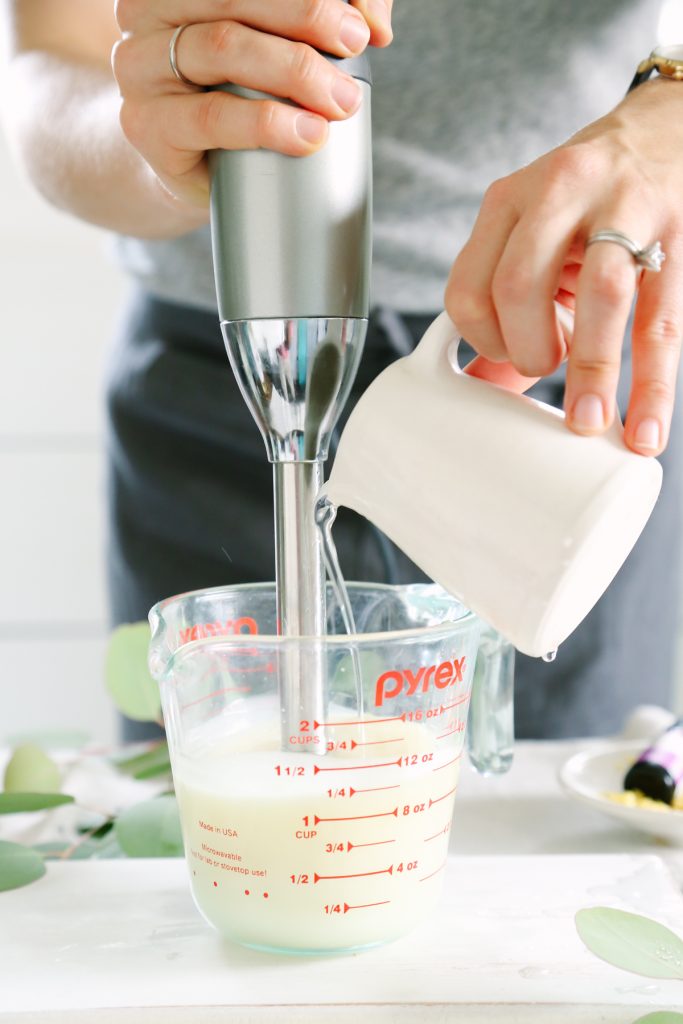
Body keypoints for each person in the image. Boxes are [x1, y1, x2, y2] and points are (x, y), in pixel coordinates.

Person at [2, 0, 682, 739]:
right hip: (212, 379)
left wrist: (669, 110)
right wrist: (162, 143)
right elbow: (52, 59)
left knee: (578, 792)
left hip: (555, 344)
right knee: (192, 783)